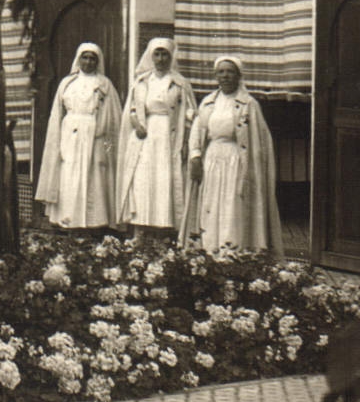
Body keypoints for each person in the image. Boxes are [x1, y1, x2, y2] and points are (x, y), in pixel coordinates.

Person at [183, 55, 283, 255]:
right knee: (211, 203)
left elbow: (258, 140)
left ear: (238, 75)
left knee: (232, 204)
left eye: (230, 72)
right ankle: (210, 248)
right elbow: (197, 130)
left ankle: (234, 251)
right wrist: (195, 156)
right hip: (212, 158)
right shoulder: (208, 103)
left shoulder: (248, 104)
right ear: (215, 76)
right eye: (221, 72)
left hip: (236, 160)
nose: (225, 76)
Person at [115, 37, 197, 237]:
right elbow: (132, 110)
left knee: (165, 179)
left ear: (171, 57)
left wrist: (186, 141)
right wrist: (137, 125)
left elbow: (189, 115)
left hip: (169, 137)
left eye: (165, 55)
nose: (160, 59)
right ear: (151, 57)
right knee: (143, 179)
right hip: (146, 136)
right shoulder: (142, 82)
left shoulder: (180, 84)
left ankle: (164, 230)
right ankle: (141, 229)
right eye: (157, 55)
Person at [35, 42, 121, 232]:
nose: (88, 62)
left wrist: (104, 141)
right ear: (78, 59)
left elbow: (114, 118)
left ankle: (94, 223)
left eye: (92, 58)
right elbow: (57, 114)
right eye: (85, 57)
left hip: (95, 135)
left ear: (97, 61)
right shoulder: (67, 83)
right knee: (69, 174)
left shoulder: (104, 85)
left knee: (94, 176)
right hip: (70, 135)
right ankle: (67, 221)